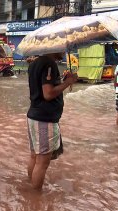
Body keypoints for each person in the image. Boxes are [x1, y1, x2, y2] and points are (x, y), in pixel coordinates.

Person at [26, 52, 77, 190]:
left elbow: (43, 85)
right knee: (42, 162)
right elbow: (48, 94)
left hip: (35, 115)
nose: (63, 51)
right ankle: (35, 198)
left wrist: (62, 80)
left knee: (34, 157)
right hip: (44, 118)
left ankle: (31, 190)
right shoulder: (49, 64)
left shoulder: (35, 63)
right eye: (61, 49)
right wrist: (68, 82)